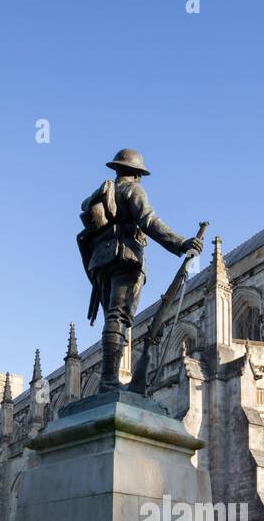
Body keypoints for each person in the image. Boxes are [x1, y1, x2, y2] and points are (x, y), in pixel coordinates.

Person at [78, 149, 203, 392]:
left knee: (112, 319)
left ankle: (108, 379)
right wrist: (180, 243)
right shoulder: (133, 190)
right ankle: (109, 381)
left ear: (117, 169)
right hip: (126, 257)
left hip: (101, 262)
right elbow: (149, 221)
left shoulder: (107, 192)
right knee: (119, 318)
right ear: (137, 174)